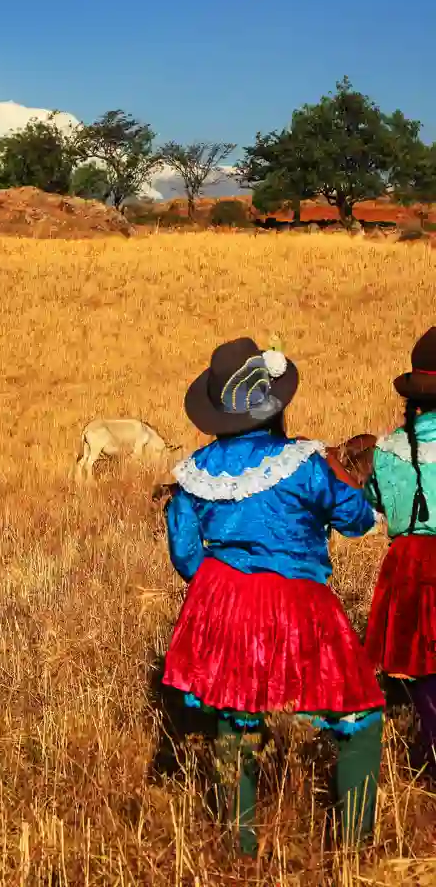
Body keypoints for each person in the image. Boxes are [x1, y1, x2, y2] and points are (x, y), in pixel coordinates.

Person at [161, 336, 385, 857]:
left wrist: (221, 582)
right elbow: (353, 520)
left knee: (235, 713)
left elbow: (185, 553)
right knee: (358, 712)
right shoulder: (303, 462)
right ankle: (355, 845)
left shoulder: (195, 473)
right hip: (296, 597)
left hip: (222, 596)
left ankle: (238, 842)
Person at [363, 327, 436, 781]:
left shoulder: (388, 448)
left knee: (427, 661)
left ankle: (431, 747)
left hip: (407, 561)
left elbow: (373, 501)